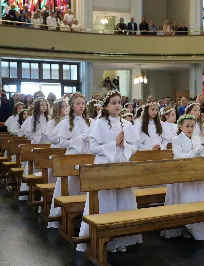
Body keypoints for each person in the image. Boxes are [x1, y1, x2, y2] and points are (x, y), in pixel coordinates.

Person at [77, 90, 141, 253]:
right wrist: (113, 144)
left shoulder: (127, 124)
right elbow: (93, 149)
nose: (118, 105)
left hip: (122, 165)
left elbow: (135, 147)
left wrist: (125, 146)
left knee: (124, 199)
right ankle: (105, 239)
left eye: (119, 102)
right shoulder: (99, 124)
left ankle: (122, 239)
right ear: (106, 106)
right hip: (105, 166)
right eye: (113, 102)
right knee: (107, 200)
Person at [161, 114, 204, 240]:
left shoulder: (196, 138)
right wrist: (194, 153)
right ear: (181, 127)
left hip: (195, 175)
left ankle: (197, 226)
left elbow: (203, 151)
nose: (190, 129)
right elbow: (178, 156)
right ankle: (183, 226)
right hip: (181, 175)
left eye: (192, 126)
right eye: (187, 126)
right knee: (183, 199)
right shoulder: (176, 139)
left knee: (200, 200)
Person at [48, 94, 91, 229]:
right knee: (70, 186)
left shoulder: (90, 121)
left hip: (87, 157)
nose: (81, 106)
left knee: (86, 185)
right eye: (78, 104)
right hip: (72, 157)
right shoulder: (66, 122)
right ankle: (62, 214)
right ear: (72, 106)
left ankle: (84, 212)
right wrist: (78, 140)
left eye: (83, 104)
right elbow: (62, 142)